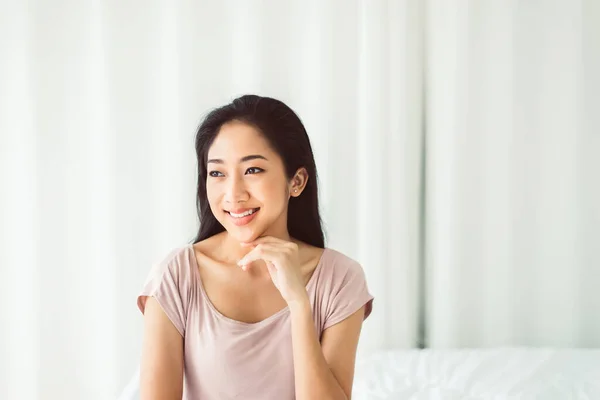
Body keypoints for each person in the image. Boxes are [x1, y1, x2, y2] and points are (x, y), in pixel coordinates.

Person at [137, 94, 374, 400]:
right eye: (217, 173)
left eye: (252, 170)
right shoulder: (176, 276)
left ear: (297, 181)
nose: (233, 194)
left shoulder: (341, 279)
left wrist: (299, 304)